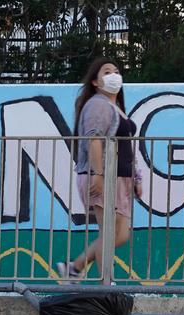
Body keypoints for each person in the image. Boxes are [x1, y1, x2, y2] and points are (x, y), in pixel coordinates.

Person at [57, 58, 142, 283]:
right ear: (95, 81)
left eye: (116, 71)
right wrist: (98, 173)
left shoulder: (116, 108)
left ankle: (74, 267)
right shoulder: (97, 104)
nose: (113, 75)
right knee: (109, 233)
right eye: (106, 72)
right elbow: (93, 138)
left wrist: (137, 177)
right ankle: (106, 281)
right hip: (104, 177)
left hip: (121, 179)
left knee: (121, 234)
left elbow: (126, 146)